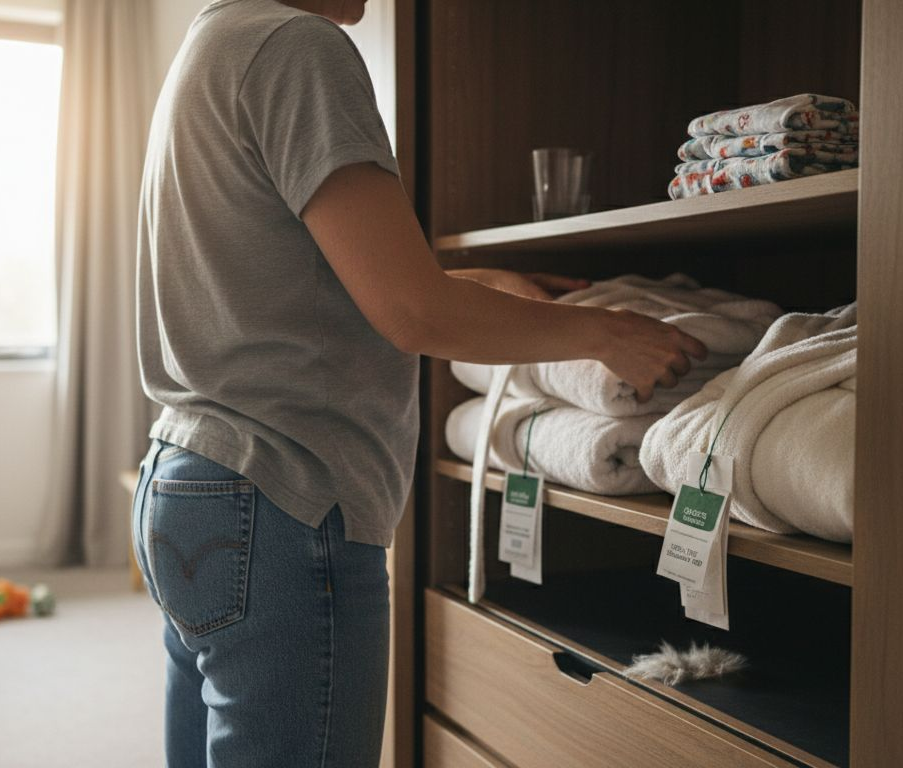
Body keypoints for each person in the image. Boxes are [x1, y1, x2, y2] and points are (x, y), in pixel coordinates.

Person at [130, 1, 706, 766]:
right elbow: (411, 312)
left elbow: (313, 283)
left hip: (189, 482)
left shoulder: (214, 41)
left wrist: (476, 283)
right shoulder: (301, 47)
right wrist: (605, 334)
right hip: (281, 501)